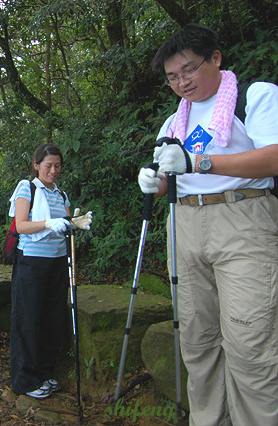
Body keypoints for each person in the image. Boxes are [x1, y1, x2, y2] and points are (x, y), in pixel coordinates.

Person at [138, 23, 278, 425]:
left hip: (243, 219)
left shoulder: (254, 96)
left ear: (215, 58)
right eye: (172, 77)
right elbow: (168, 179)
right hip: (184, 224)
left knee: (250, 341)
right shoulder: (173, 123)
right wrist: (154, 181)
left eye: (189, 70)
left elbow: (272, 158)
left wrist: (199, 162)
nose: (182, 82)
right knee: (197, 341)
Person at [8, 143, 92, 399]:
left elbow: (63, 225)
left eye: (57, 166)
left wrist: (74, 224)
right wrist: (48, 223)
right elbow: (21, 226)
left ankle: (45, 373)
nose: (53, 170)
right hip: (32, 262)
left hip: (58, 261)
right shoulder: (27, 187)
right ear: (36, 165)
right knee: (28, 319)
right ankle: (25, 380)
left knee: (52, 318)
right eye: (48, 166)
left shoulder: (61, 194)